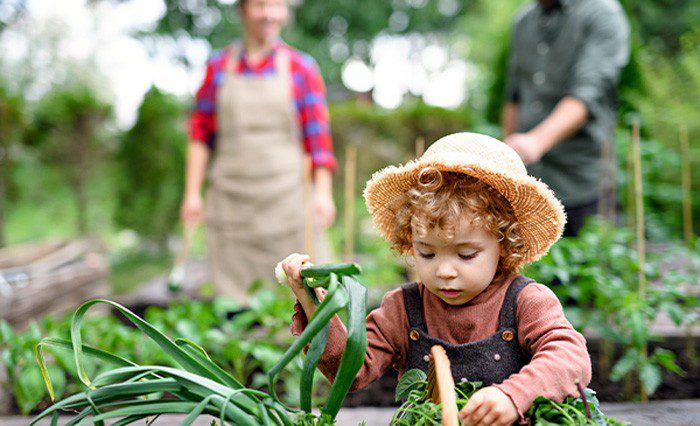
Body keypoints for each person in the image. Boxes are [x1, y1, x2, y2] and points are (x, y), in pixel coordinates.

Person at [281, 133, 591, 425]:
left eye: (466, 255)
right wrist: (315, 305)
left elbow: (570, 357)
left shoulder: (526, 301)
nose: (444, 271)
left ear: (505, 245)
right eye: (427, 254)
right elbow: (351, 371)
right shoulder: (404, 308)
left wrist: (514, 395)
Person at [182, 0, 337, 302]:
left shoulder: (300, 68)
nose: (270, 13)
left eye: (278, 5)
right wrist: (191, 193)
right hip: (230, 202)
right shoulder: (217, 68)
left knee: (297, 296)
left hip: (286, 202)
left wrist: (322, 193)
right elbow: (200, 134)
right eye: (261, 5)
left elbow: (317, 140)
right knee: (232, 301)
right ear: (242, 9)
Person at [502, 0, 629, 236]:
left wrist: (536, 142)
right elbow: (514, 96)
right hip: (532, 186)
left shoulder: (602, 13)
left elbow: (586, 95)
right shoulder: (523, 21)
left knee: (591, 267)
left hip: (583, 181)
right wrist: (508, 163)